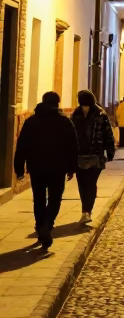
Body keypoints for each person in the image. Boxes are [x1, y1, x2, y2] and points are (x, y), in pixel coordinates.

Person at [13, 91, 78, 250]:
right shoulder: (64, 122)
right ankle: (47, 225)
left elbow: (21, 146)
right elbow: (73, 146)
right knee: (55, 198)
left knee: (39, 198)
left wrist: (19, 168)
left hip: (37, 167)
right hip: (58, 168)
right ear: (57, 103)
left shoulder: (31, 122)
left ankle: (40, 224)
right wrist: (71, 167)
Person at [71, 90, 116, 223]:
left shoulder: (100, 114)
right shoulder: (76, 114)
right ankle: (85, 210)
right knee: (82, 183)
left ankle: (87, 211)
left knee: (90, 183)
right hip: (79, 155)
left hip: (95, 155)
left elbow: (108, 134)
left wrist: (110, 150)